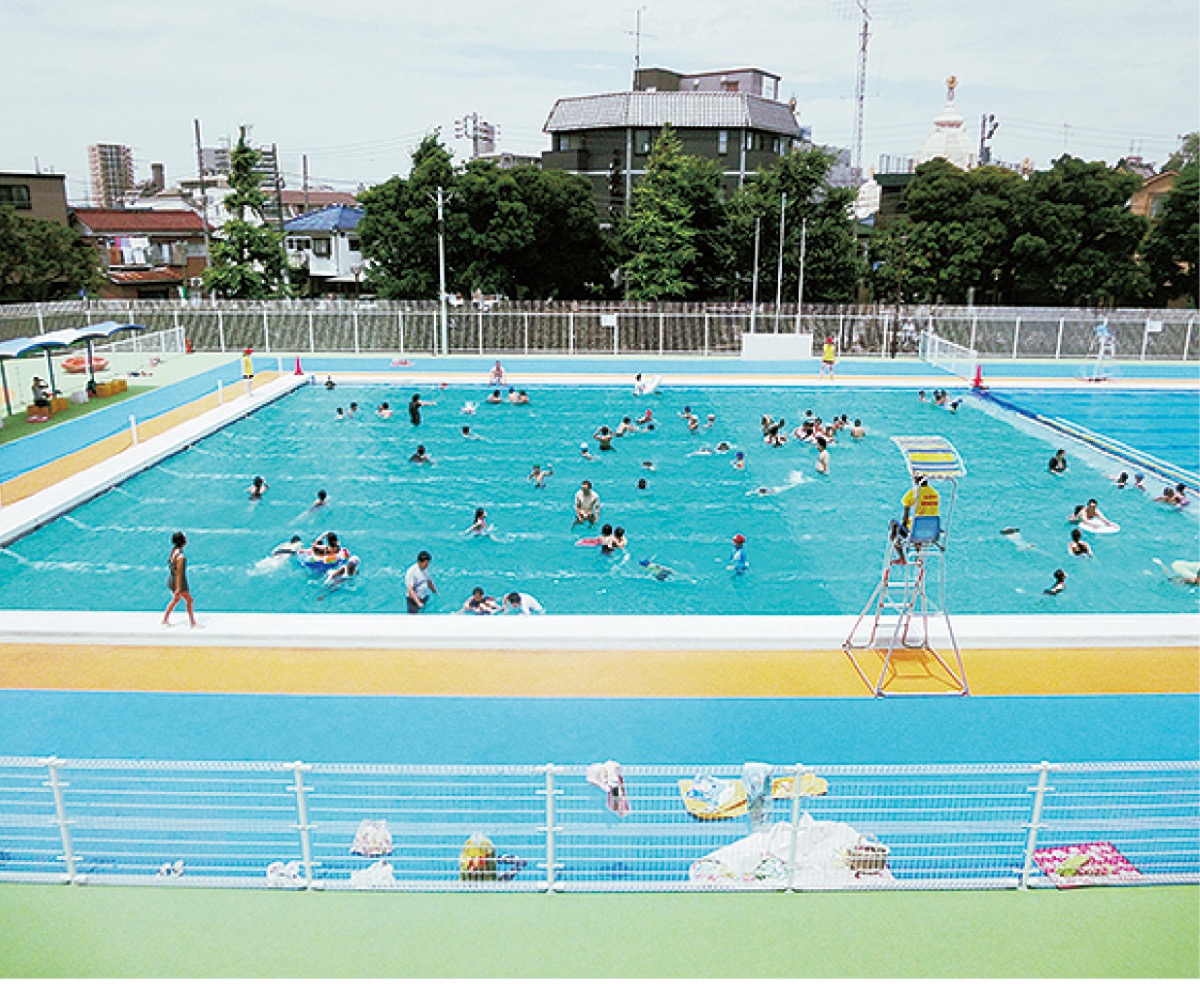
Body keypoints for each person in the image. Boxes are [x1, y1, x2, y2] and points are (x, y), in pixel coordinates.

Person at [161, 531, 198, 627]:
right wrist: (178, 588)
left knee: (176, 599)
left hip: (172, 579)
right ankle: (192, 622)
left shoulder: (174, 551)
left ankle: (165, 619)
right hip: (179, 582)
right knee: (189, 600)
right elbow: (179, 573)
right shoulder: (181, 557)